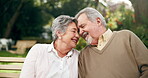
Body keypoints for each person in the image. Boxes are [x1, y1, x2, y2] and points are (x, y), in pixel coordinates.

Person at [75, 7, 148, 78]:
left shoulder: (126, 37)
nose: (80, 32)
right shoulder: (83, 55)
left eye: (83, 26)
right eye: (78, 30)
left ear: (98, 21)